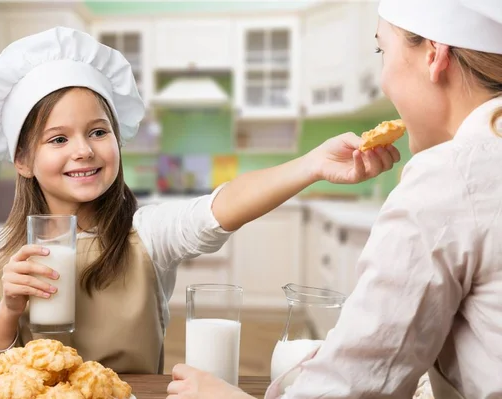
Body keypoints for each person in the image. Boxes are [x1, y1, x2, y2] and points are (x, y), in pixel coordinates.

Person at [0, 26, 399, 374]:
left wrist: (313, 164)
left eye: (99, 132)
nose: (83, 150)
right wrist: (9, 308)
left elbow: (219, 208)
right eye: (58, 138)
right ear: (23, 160)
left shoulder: (145, 234)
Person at [166, 0, 502, 398]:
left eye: (383, 50)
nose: (382, 78)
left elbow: (355, 389)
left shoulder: (448, 175)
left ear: (434, 54)